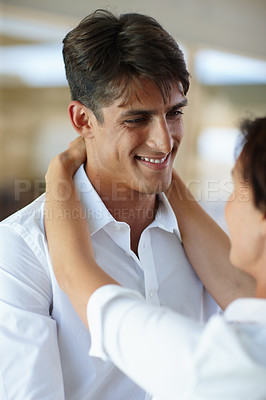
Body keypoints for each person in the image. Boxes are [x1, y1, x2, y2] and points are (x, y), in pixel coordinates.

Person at [0, 9, 253, 400]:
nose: (166, 142)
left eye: (175, 113)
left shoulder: (209, 240)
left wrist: (62, 171)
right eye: (138, 119)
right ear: (83, 120)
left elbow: (248, 297)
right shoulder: (22, 248)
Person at [44, 116, 266, 400]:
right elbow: (239, 287)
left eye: (236, 190)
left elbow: (74, 272)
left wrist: (58, 171)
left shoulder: (229, 365)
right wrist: (156, 167)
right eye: (137, 118)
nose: (227, 206)